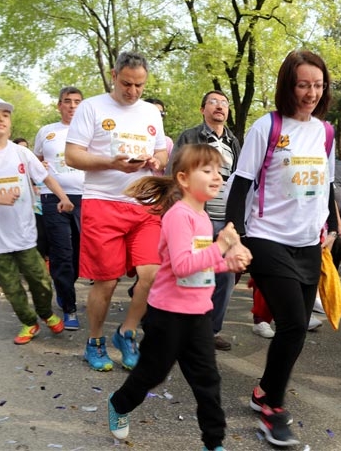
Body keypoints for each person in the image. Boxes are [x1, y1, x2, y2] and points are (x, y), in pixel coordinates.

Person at [225, 49, 338, 447]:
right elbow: (241, 184)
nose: (311, 93)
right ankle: (273, 409)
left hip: (308, 244)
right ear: (288, 86)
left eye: (318, 85)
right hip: (267, 237)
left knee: (297, 329)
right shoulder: (267, 127)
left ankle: (263, 392)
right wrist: (236, 235)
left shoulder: (325, 132)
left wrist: (331, 226)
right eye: (303, 85)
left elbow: (326, 184)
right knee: (291, 324)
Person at [107, 144, 251, 451]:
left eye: (219, 171)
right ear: (184, 179)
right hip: (168, 316)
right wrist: (222, 245)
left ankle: (213, 443)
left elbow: (200, 265)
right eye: (207, 170)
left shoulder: (202, 217)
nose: (217, 177)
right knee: (152, 374)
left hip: (199, 315)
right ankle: (119, 404)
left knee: (208, 381)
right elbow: (184, 265)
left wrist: (226, 264)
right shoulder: (178, 216)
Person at [65, 51, 168, 372]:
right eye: (126, 83)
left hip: (145, 205)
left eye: (139, 85)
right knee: (106, 282)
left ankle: (127, 332)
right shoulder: (92, 107)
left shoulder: (150, 112)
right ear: (114, 75)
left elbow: (162, 152)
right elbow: (72, 156)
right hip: (103, 202)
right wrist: (111, 162)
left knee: (152, 275)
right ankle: (94, 341)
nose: (133, 91)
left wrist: (156, 161)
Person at [0, 96, 72, 344]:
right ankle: (29, 322)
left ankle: (46, 313)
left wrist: (63, 197)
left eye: (5, 114)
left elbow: (45, 177)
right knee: (11, 286)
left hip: (24, 232)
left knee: (41, 280)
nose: (0, 119)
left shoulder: (21, 152)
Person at [170, 90, 241, 350]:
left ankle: (210, 331)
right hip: (197, 217)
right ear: (203, 109)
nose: (219, 106)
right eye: (213, 102)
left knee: (226, 276)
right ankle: (179, 325)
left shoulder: (234, 142)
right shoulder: (189, 137)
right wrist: (181, 211)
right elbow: (173, 173)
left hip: (225, 220)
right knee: (191, 273)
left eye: (224, 103)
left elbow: (240, 181)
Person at [34, 86, 85, 331]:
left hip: (85, 197)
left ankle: (64, 287)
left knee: (78, 255)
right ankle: (69, 307)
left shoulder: (91, 131)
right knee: (62, 253)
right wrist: (40, 166)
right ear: (59, 105)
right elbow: (35, 161)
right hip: (52, 198)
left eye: (77, 101)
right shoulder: (47, 131)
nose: (72, 106)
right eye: (67, 101)